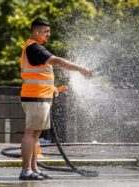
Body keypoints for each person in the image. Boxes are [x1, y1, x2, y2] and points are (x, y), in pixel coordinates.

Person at [19, 18, 92, 180]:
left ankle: (33, 168)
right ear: (37, 31)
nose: (48, 35)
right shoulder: (34, 48)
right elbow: (57, 61)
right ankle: (26, 171)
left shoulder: (34, 48)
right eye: (46, 32)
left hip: (39, 96)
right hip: (35, 97)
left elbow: (38, 74)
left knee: (35, 134)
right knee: (31, 133)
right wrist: (79, 69)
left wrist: (51, 88)